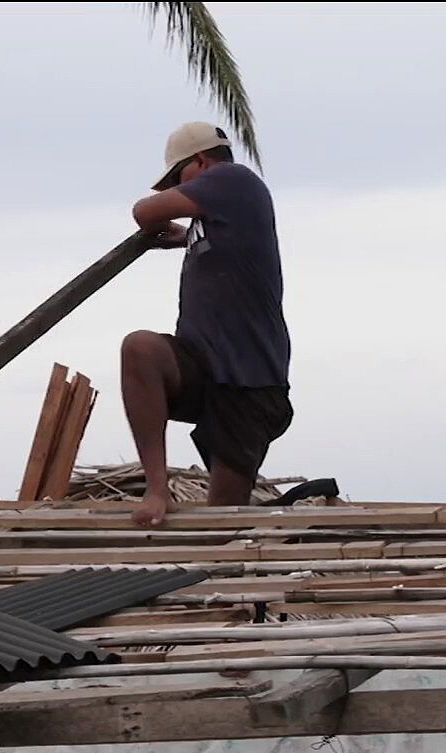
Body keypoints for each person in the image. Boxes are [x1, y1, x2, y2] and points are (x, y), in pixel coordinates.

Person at [122, 121, 293, 527]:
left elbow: (144, 211)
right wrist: (183, 236)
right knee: (140, 348)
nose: (174, 190)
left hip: (248, 383)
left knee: (222, 519)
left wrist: (160, 219)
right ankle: (157, 488)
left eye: (177, 179)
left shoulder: (233, 179)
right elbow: (226, 237)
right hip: (203, 367)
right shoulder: (217, 214)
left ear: (200, 162)